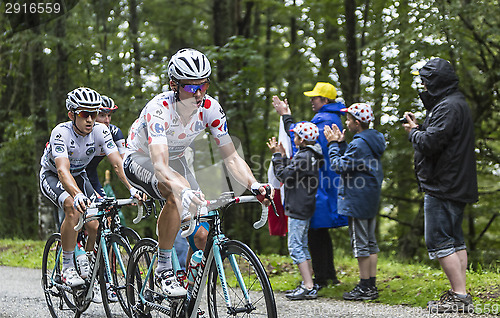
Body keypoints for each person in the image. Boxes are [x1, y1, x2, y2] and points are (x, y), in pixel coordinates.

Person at [123, 48, 273, 298]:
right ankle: (163, 268)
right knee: (174, 190)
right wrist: (183, 191)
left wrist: (254, 185)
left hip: (178, 159)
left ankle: (188, 297)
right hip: (141, 158)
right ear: (174, 85)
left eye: (204, 85)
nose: (199, 93)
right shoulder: (159, 108)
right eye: (192, 88)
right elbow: (160, 166)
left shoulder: (211, 108)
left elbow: (232, 157)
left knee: (202, 235)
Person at [39, 87, 143, 289]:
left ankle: (86, 264)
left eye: (94, 114)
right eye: (84, 114)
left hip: (80, 175)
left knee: (94, 224)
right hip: (52, 176)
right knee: (72, 207)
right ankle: (68, 266)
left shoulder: (101, 131)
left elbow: (117, 163)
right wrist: (77, 194)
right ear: (72, 115)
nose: (90, 119)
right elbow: (62, 171)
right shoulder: (60, 133)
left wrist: (133, 188)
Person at [403, 58, 478, 313]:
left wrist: (413, 131)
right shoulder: (453, 103)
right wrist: (421, 125)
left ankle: (459, 296)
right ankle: (461, 294)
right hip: (455, 182)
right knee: (455, 240)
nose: (422, 85)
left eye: (425, 81)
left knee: (439, 239)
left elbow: (430, 143)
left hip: (443, 184)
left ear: (435, 81)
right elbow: (440, 135)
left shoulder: (448, 106)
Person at [272, 82, 347, 290]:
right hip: (321, 183)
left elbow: (304, 138)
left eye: (315, 98)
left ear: (325, 100)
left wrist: (286, 117)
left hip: (318, 186)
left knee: (316, 230)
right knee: (318, 230)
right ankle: (326, 275)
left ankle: (321, 278)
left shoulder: (325, 121)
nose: (311, 101)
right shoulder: (331, 118)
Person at [324, 102, 385, 301]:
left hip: (357, 199)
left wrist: (333, 145)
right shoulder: (371, 140)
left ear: (357, 122)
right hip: (369, 197)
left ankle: (365, 286)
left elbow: (339, 165)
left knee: (361, 244)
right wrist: (342, 144)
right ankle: (371, 284)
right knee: (370, 242)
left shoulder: (359, 143)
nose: (346, 122)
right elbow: (355, 162)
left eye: (349, 119)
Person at [268, 122, 323, 300]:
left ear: (302, 139)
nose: (294, 139)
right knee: (302, 245)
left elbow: (283, 176)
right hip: (305, 205)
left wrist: (277, 156)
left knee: (295, 246)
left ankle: (307, 286)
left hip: (298, 207)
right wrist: (283, 158)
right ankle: (310, 284)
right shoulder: (311, 155)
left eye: (296, 136)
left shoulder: (304, 157)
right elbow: (293, 174)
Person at [86, 95, 127, 198]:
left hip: (91, 175)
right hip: (71, 175)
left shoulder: (115, 133)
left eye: (109, 115)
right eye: (102, 115)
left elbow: (123, 164)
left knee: (106, 208)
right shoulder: (84, 132)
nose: (107, 120)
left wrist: (135, 188)